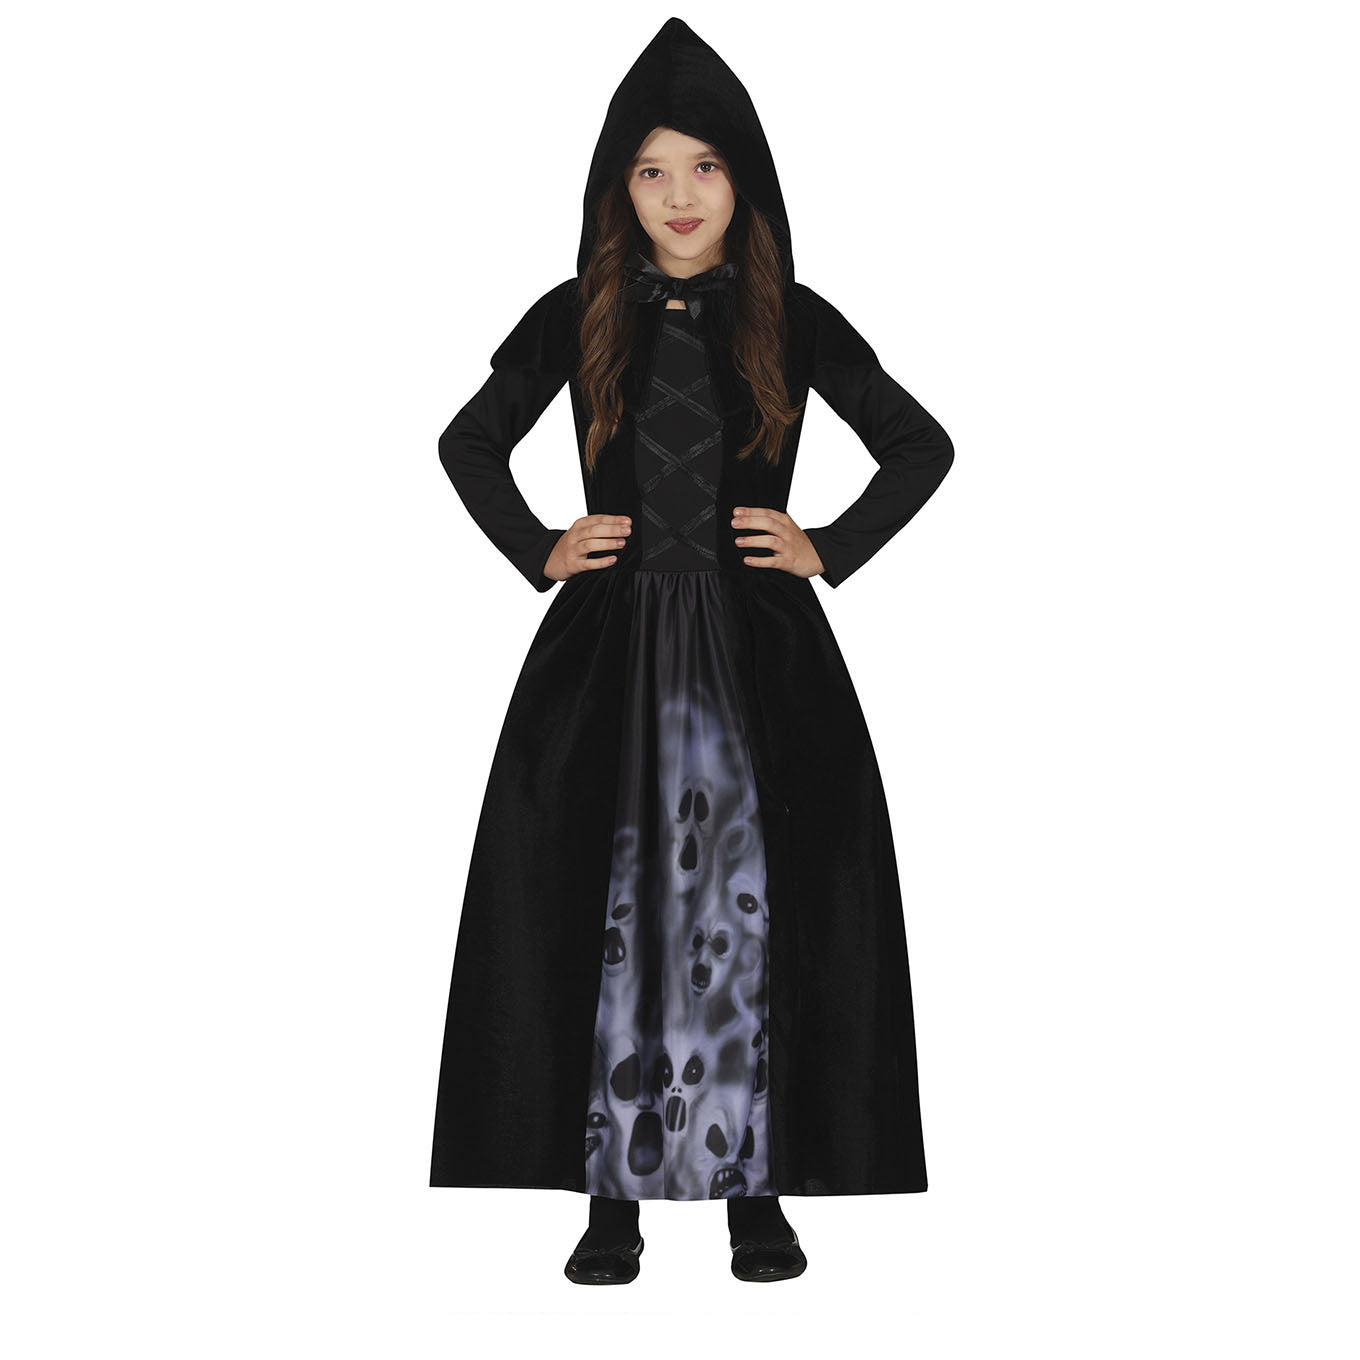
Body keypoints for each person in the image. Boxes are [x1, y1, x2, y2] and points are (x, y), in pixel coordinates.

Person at [430, 18, 955, 1285]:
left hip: (752, 659)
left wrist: (826, 543)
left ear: (744, 181)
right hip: (610, 659)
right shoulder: (575, 315)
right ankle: (610, 1195)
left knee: (742, 904)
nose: (678, 196)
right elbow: (466, 441)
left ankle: (753, 1192)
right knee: (613, 906)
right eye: (652, 170)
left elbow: (920, 444)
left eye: (705, 168)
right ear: (619, 185)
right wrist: (540, 545)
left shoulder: (793, 317)